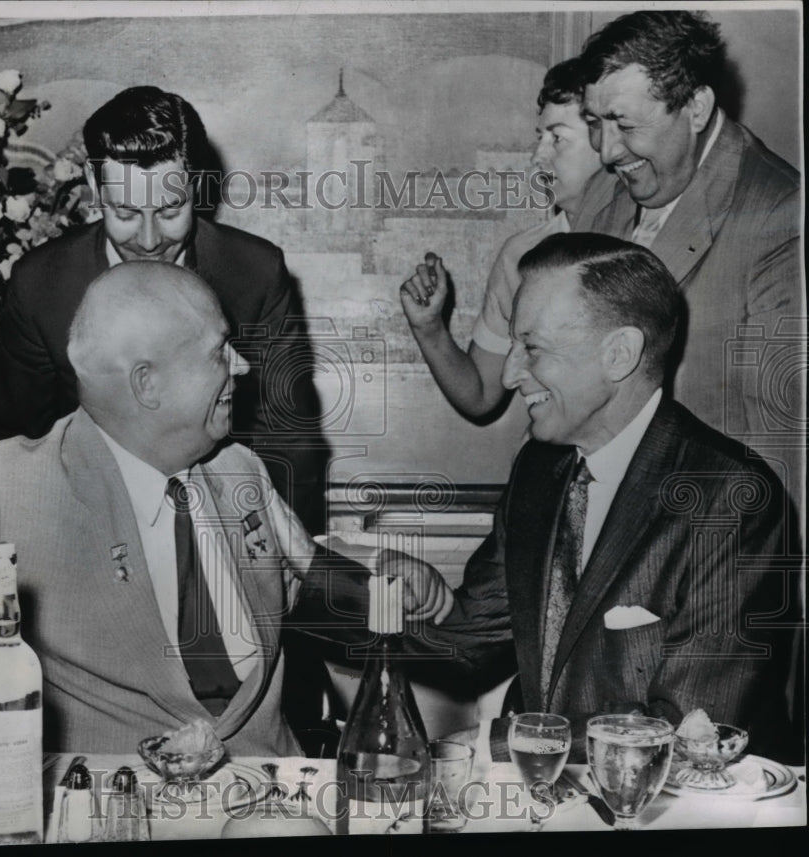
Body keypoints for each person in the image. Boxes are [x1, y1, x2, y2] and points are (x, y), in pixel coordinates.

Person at [0, 263, 452, 755]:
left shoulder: (239, 468)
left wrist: (381, 579)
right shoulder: (9, 487)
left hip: (271, 804)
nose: (243, 365)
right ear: (148, 384)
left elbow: (284, 578)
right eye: (219, 350)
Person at [317, 233, 800, 763]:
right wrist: (303, 585)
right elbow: (467, 642)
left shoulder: (731, 498)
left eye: (533, 348)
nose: (508, 373)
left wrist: (493, 744)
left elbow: (691, 727)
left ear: (619, 354)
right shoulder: (540, 469)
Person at [0, 85, 328, 534]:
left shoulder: (255, 273)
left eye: (170, 209)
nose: (147, 239)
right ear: (93, 182)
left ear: (196, 182)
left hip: (220, 522)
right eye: (124, 211)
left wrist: (304, 571)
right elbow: (11, 440)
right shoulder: (41, 285)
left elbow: (288, 438)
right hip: (87, 524)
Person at [574, 10, 803, 499]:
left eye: (624, 124)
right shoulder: (600, 194)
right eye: (595, 122)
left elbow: (788, 446)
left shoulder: (782, 215)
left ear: (696, 108)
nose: (607, 152)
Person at [399, 57, 607, 419]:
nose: (536, 157)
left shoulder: (654, 236)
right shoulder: (522, 254)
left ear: (608, 140)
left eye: (557, 138)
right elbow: (480, 395)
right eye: (538, 138)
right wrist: (430, 328)